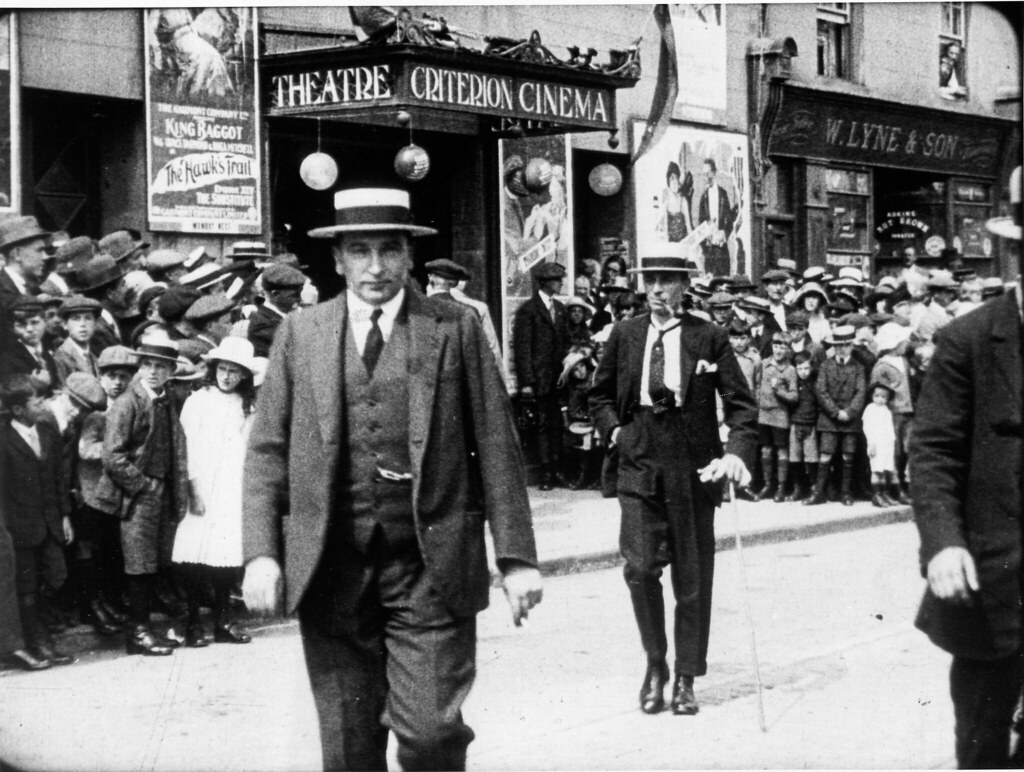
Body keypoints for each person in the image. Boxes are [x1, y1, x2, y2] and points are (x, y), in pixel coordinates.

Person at [242, 188, 541, 771]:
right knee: (349, 747)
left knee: (431, 734)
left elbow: (498, 447)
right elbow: (266, 452)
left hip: (429, 567)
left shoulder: (453, 328)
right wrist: (260, 553)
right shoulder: (301, 334)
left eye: (388, 250)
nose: (374, 267)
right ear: (337, 259)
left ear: (409, 257)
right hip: (332, 568)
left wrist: (517, 557)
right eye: (360, 251)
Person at [589, 254, 757, 717]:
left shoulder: (710, 336)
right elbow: (599, 394)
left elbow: (742, 405)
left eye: (668, 282)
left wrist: (734, 454)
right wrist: (617, 431)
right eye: (651, 282)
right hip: (639, 455)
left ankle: (686, 676)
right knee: (640, 568)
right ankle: (655, 664)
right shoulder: (626, 333)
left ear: (686, 286)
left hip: (692, 462)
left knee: (692, 576)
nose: (658, 290)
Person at [910, 169, 1021, 765]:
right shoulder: (969, 340)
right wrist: (944, 543)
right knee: (983, 744)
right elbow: (933, 452)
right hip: (993, 582)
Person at [94, 332, 189, 656]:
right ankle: (138, 633)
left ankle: (145, 630)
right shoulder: (128, 402)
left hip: (162, 490)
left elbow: (176, 448)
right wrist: (143, 486)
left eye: (160, 366)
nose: (152, 371)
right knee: (139, 562)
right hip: (137, 494)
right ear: (140, 367)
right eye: (147, 364)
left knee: (154, 562)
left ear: (169, 371)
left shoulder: (166, 398)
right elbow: (112, 456)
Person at [172, 337, 257, 648]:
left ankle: (222, 621)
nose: (226, 376)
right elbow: (187, 447)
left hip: (231, 490)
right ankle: (193, 622)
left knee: (226, 558)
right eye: (222, 369)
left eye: (234, 371)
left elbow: (249, 451)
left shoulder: (247, 407)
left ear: (244, 376)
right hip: (203, 485)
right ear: (213, 369)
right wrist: (193, 487)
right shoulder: (198, 401)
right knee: (194, 556)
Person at [0, 373, 76, 667]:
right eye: (37, 400)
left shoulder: (46, 432)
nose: (44, 405)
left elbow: (58, 478)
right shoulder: (4, 440)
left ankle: (42, 635)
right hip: (20, 529)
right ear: (18, 409)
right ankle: (37, 643)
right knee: (27, 588)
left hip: (50, 523)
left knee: (56, 576)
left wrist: (65, 515)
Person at [512, 260, 570, 490]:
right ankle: (546, 473)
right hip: (539, 379)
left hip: (559, 378)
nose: (560, 284)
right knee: (543, 426)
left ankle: (557, 469)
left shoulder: (561, 309)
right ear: (544, 283)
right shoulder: (529, 310)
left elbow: (565, 340)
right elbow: (522, 348)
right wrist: (526, 382)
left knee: (557, 425)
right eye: (556, 280)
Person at [806, 325, 866, 506]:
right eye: (838, 345)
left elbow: (861, 392)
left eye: (846, 345)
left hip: (850, 420)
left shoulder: (859, 368)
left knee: (848, 457)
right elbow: (821, 391)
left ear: (852, 346)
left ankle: (845, 493)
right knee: (825, 456)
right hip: (829, 420)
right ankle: (819, 493)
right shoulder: (826, 365)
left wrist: (848, 412)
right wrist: (835, 412)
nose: (842, 348)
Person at [753, 332, 798, 502]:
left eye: (783, 347)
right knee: (765, 449)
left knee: (781, 450)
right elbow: (756, 384)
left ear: (788, 349)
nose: (779, 350)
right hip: (763, 414)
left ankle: (781, 486)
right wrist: (757, 402)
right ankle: (767, 484)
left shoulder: (790, 370)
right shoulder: (763, 364)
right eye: (776, 346)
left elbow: (794, 396)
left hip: (780, 415)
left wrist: (778, 390)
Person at [0, 296, 60, 398]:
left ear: (45, 321)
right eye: (21, 325)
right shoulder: (8, 359)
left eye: (35, 322)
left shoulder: (51, 349)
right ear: (12, 328)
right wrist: (34, 384)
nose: (29, 329)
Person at [247, 263, 306, 358]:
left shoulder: (288, 315)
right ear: (275, 295)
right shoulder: (261, 325)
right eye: (294, 295)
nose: (300, 299)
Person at [788, 350, 820, 502]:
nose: (803, 372)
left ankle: (813, 487)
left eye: (806, 368)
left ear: (812, 367)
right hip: (795, 424)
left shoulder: (815, 384)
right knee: (795, 458)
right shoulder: (794, 383)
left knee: (811, 459)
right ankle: (798, 488)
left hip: (810, 425)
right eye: (800, 369)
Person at [862, 382, 898, 508]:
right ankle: (876, 495)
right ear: (872, 396)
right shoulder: (870, 409)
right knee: (877, 470)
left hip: (886, 444)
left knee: (885, 470)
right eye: (877, 396)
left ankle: (884, 493)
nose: (880, 399)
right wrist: (871, 443)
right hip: (876, 444)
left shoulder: (886, 410)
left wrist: (892, 442)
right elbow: (867, 427)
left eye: (883, 397)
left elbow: (889, 428)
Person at [53, 295, 103, 385]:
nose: (82, 324)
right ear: (65, 324)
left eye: (88, 318)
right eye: (76, 319)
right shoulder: (60, 359)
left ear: (95, 324)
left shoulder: (94, 357)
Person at [697, 159, 734, 276]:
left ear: (714, 173)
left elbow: (730, 221)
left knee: (724, 281)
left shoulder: (723, 194)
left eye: (708, 174)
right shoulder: (704, 197)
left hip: (721, 249)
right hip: (709, 250)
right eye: (704, 174)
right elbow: (700, 223)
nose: (705, 177)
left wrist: (724, 233)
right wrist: (706, 238)